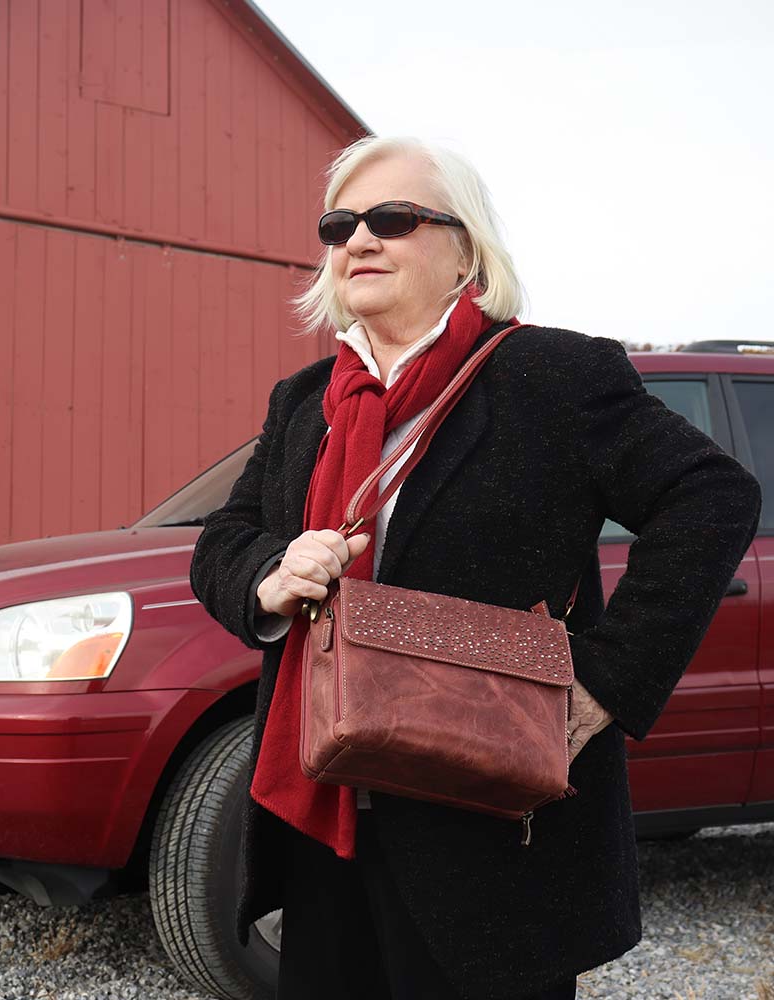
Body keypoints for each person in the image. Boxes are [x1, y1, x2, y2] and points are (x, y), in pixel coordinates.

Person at [188, 136, 762, 1000]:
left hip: (492, 834)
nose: (360, 240)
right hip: (325, 815)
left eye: (394, 218)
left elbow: (713, 498)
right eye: (341, 224)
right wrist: (271, 570)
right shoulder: (308, 401)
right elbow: (222, 538)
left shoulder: (553, 376)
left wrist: (605, 680)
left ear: (466, 253)